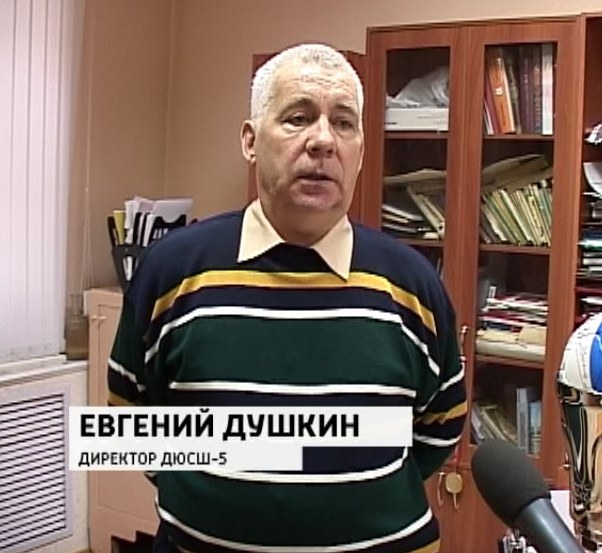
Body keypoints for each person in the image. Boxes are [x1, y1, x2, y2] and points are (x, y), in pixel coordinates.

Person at [107, 43, 467, 553]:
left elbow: (440, 427)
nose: (323, 141)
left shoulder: (413, 284)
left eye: (343, 123)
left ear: (361, 151)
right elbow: (131, 417)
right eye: (298, 118)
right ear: (250, 141)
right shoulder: (172, 271)